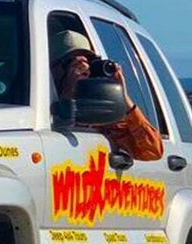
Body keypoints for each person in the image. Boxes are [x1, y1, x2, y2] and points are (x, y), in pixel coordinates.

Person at [50, 30, 164, 161]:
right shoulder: (36, 102)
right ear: (52, 69)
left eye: (87, 62)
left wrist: (122, 97)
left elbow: (152, 150)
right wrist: (67, 92)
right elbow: (58, 134)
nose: (81, 68)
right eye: (69, 62)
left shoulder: (102, 113)